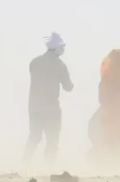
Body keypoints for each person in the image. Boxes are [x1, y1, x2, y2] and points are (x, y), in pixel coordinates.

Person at [24, 32, 73, 164]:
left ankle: (24, 163)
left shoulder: (34, 62)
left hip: (34, 106)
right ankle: (48, 167)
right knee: (52, 140)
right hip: (51, 107)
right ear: (57, 48)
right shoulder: (60, 65)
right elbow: (68, 87)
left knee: (34, 136)